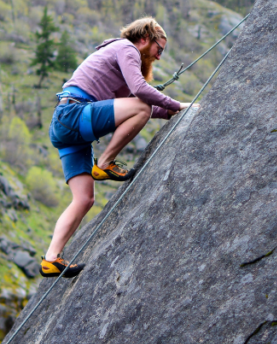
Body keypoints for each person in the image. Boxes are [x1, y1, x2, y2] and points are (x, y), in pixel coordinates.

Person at [40, 18, 194, 278]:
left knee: (84, 199)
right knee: (141, 107)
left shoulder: (116, 58)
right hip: (75, 114)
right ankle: (104, 163)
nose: (159, 56)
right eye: (160, 48)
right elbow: (139, 94)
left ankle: (51, 258)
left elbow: (133, 102)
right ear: (145, 38)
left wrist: (171, 111)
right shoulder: (127, 49)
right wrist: (178, 105)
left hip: (66, 127)